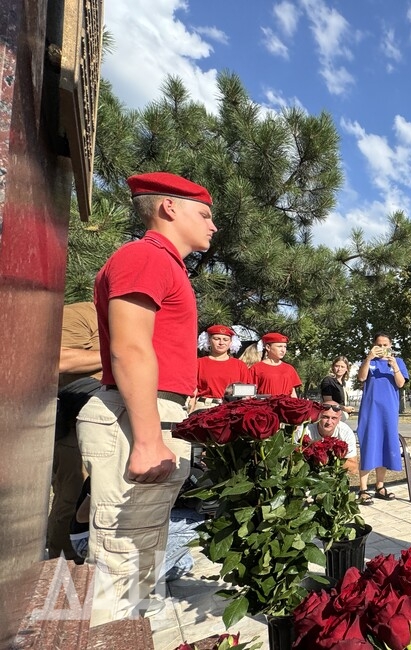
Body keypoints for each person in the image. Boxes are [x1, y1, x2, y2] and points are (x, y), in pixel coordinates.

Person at [75, 171, 216, 625]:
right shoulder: (146, 256)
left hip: (151, 412)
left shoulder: (163, 263)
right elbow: (131, 347)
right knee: (122, 567)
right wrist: (149, 439)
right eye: (204, 214)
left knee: (141, 556)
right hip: (139, 415)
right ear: (169, 207)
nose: (213, 225)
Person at [49, 302, 104, 563]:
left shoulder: (130, 321)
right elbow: (57, 359)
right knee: (70, 498)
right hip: (76, 425)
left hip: (110, 424)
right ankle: (61, 564)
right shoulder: (82, 314)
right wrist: (118, 353)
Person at [355, 333, 407, 505]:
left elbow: (400, 383)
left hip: (389, 411)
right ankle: (363, 489)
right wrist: (368, 358)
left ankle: (380, 486)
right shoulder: (369, 362)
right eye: (379, 344)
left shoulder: (398, 362)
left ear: (391, 345)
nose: (382, 348)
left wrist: (394, 366)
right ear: (373, 345)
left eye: (385, 344)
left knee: (384, 445)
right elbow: (361, 378)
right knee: (369, 444)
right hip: (370, 410)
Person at [191, 324, 250, 411]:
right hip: (204, 407)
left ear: (231, 342)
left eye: (225, 339)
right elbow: (193, 391)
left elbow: (246, 394)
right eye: (216, 339)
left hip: (231, 408)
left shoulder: (240, 365)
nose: (221, 343)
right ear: (209, 340)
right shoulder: (198, 363)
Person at [304, 400, 359, 476]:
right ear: (318, 416)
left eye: (334, 418)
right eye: (325, 417)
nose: (329, 422)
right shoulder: (305, 430)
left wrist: (328, 456)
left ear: (339, 419)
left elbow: (353, 468)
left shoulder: (346, 433)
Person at [251, 332, 302, 397]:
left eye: (285, 347)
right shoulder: (256, 368)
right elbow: (250, 394)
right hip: (265, 403)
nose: (283, 350)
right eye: (279, 346)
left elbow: (293, 393)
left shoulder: (289, 369)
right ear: (268, 347)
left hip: (286, 403)